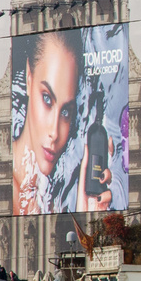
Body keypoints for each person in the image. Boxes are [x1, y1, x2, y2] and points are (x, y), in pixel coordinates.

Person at [11, 31, 85, 215]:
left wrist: (87, 212)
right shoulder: (6, 193)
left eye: (66, 111)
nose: (55, 132)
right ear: (29, 77)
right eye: (47, 98)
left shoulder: (59, 201)